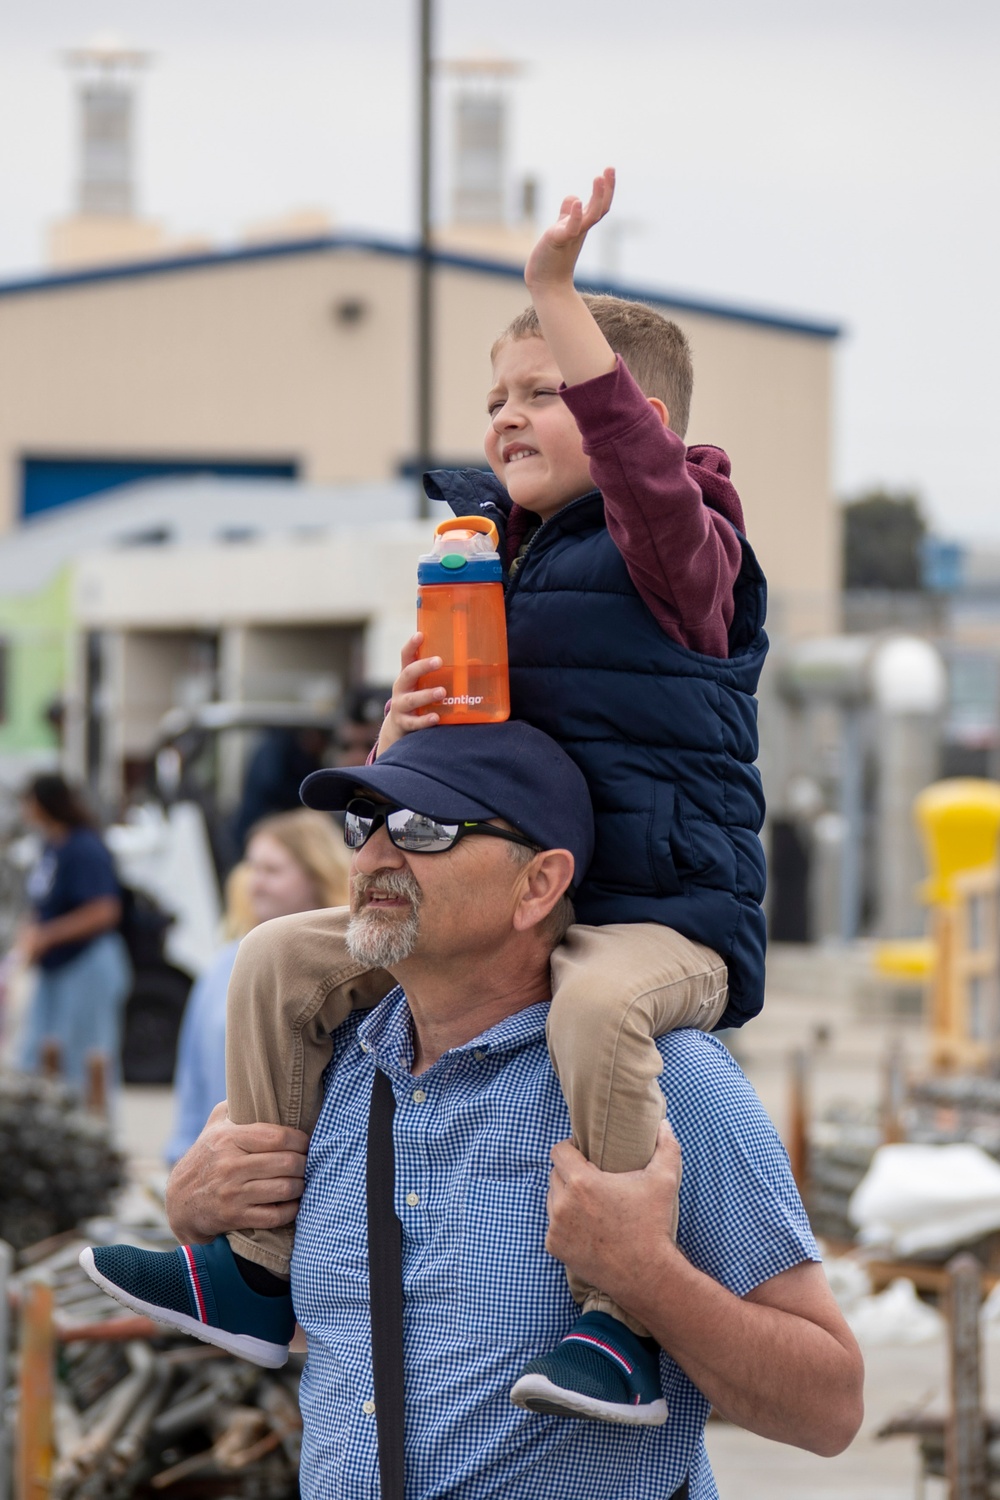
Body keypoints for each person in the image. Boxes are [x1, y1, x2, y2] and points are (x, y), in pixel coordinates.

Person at [82, 168, 769, 1422]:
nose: (506, 416)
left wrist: (551, 285)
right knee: (278, 962)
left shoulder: (679, 548)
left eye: (543, 391)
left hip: (664, 914)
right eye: (495, 397)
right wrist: (406, 734)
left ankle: (617, 1328)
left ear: (644, 423)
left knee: (599, 1009)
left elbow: (636, 467)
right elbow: (476, 773)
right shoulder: (491, 563)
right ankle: (254, 1273)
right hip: (520, 899)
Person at [83, 724, 863, 1497]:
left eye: (426, 827)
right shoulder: (328, 1075)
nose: (377, 855)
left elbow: (829, 1408)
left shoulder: (671, 1084)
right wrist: (203, 1218)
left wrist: (648, 1278)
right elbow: (351, 1332)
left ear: (538, 886)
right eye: (365, 820)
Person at [165, 810, 352, 1164]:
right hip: (225, 1173)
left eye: (273, 870)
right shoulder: (221, 966)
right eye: (252, 867)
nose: (255, 882)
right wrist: (183, 1156)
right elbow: (192, 1079)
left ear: (316, 874)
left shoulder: (354, 972)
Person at [15, 773, 132, 1097]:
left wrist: (48, 935)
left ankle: (91, 1140)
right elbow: (44, 902)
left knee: (86, 1060)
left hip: (87, 963)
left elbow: (105, 910)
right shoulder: (50, 845)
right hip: (55, 968)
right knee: (38, 1054)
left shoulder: (84, 846)